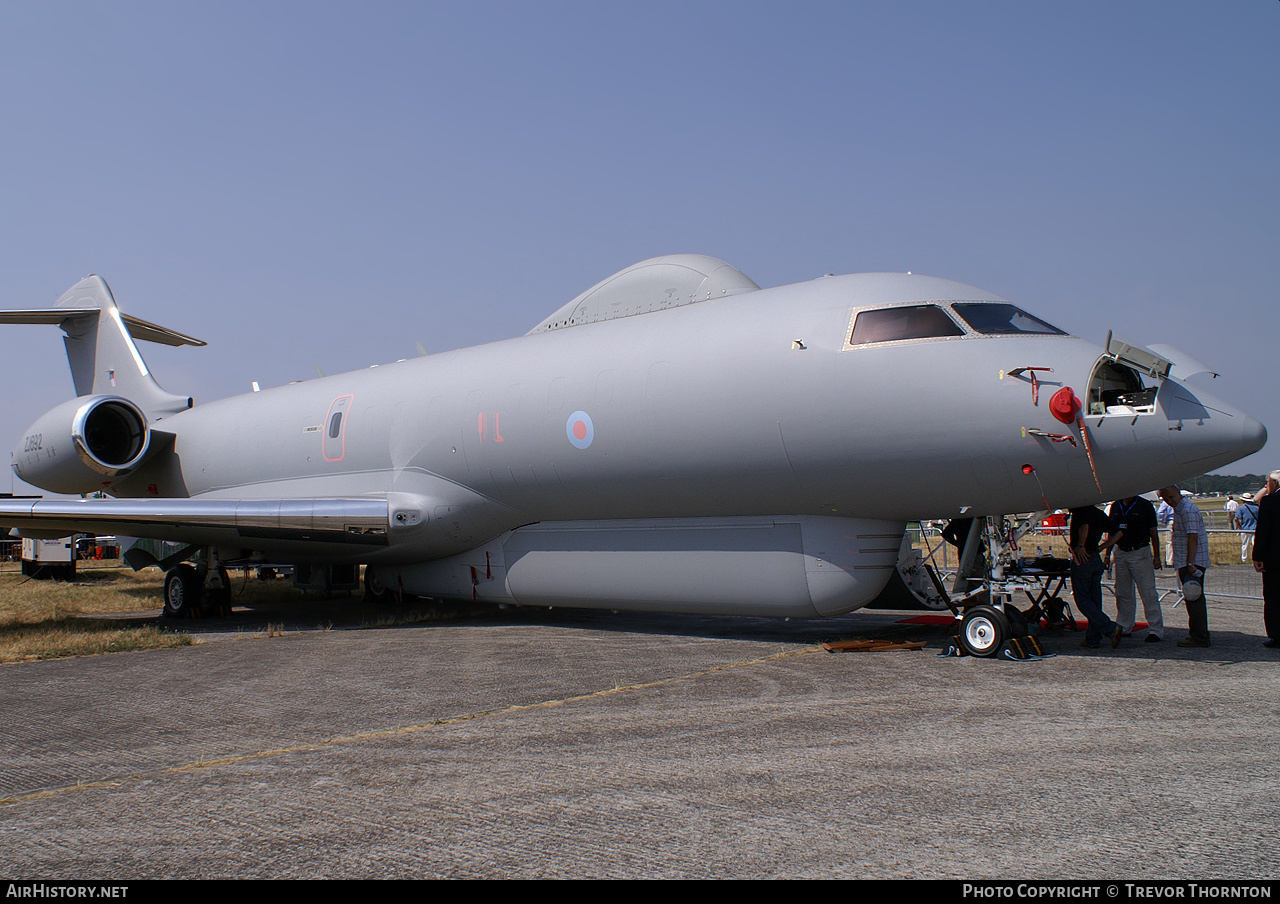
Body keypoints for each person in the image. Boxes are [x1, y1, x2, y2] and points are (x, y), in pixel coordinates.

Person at [1101, 494, 1163, 642]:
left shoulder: (1145, 505)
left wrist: (1157, 556)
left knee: (1147, 591)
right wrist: (1107, 554)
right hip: (1121, 551)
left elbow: (1153, 533)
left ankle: (1155, 629)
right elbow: (1112, 532)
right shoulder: (1116, 506)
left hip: (1139, 551)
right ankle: (1124, 625)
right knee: (1122, 592)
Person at [1159, 486, 1210, 647]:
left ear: (1178, 493)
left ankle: (1199, 636)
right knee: (1192, 597)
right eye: (1166, 499)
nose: (1169, 501)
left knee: (1193, 596)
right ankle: (1198, 634)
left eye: (1171, 497)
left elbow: (1192, 537)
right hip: (1186, 560)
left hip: (1192, 561)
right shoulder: (1180, 509)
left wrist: (1190, 563)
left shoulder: (1187, 510)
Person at [1068, 505, 1123, 648]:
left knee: (1083, 600)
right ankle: (1092, 638)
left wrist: (1080, 545)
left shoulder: (1081, 511)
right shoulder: (1099, 513)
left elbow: (1084, 527)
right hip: (1094, 557)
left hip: (1083, 558)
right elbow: (1118, 534)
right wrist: (1102, 547)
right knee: (1095, 600)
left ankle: (1110, 628)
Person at [1251, 472, 1280, 649]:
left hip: (1274, 559)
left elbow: (1263, 532)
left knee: (1273, 598)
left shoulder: (1270, 502)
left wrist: (1258, 556)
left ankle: (1277, 635)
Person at [1237, 492, 1260, 563]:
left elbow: (1236, 518)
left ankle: (1244, 559)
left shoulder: (1241, 508)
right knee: (1255, 544)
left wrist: (1239, 526)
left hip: (1245, 528)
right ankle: (1257, 558)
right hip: (1255, 528)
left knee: (1245, 545)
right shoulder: (1257, 508)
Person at [1157, 497, 1176, 566]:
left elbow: (1160, 512)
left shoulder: (1166, 501)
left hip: (1170, 521)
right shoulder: (1178, 500)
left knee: (1169, 542)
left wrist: (1163, 521)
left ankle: (1170, 561)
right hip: (1179, 521)